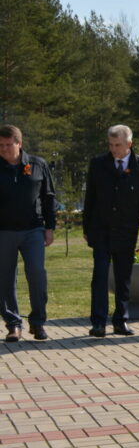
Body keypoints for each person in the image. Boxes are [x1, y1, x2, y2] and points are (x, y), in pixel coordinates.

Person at [83, 125, 139, 337]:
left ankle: (121, 320)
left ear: (129, 144)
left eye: (118, 145)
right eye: (111, 145)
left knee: (123, 278)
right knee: (99, 277)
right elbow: (91, 199)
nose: (114, 149)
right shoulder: (98, 164)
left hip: (126, 231)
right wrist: (87, 227)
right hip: (101, 230)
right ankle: (98, 322)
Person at [0, 125, 55, 342]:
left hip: (33, 229)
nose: (4, 149)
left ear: (19, 143)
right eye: (0, 145)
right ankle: (13, 324)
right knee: (5, 279)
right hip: (3, 231)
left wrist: (50, 228)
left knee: (37, 274)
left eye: (8, 144)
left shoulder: (37, 164)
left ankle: (38, 322)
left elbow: (49, 197)